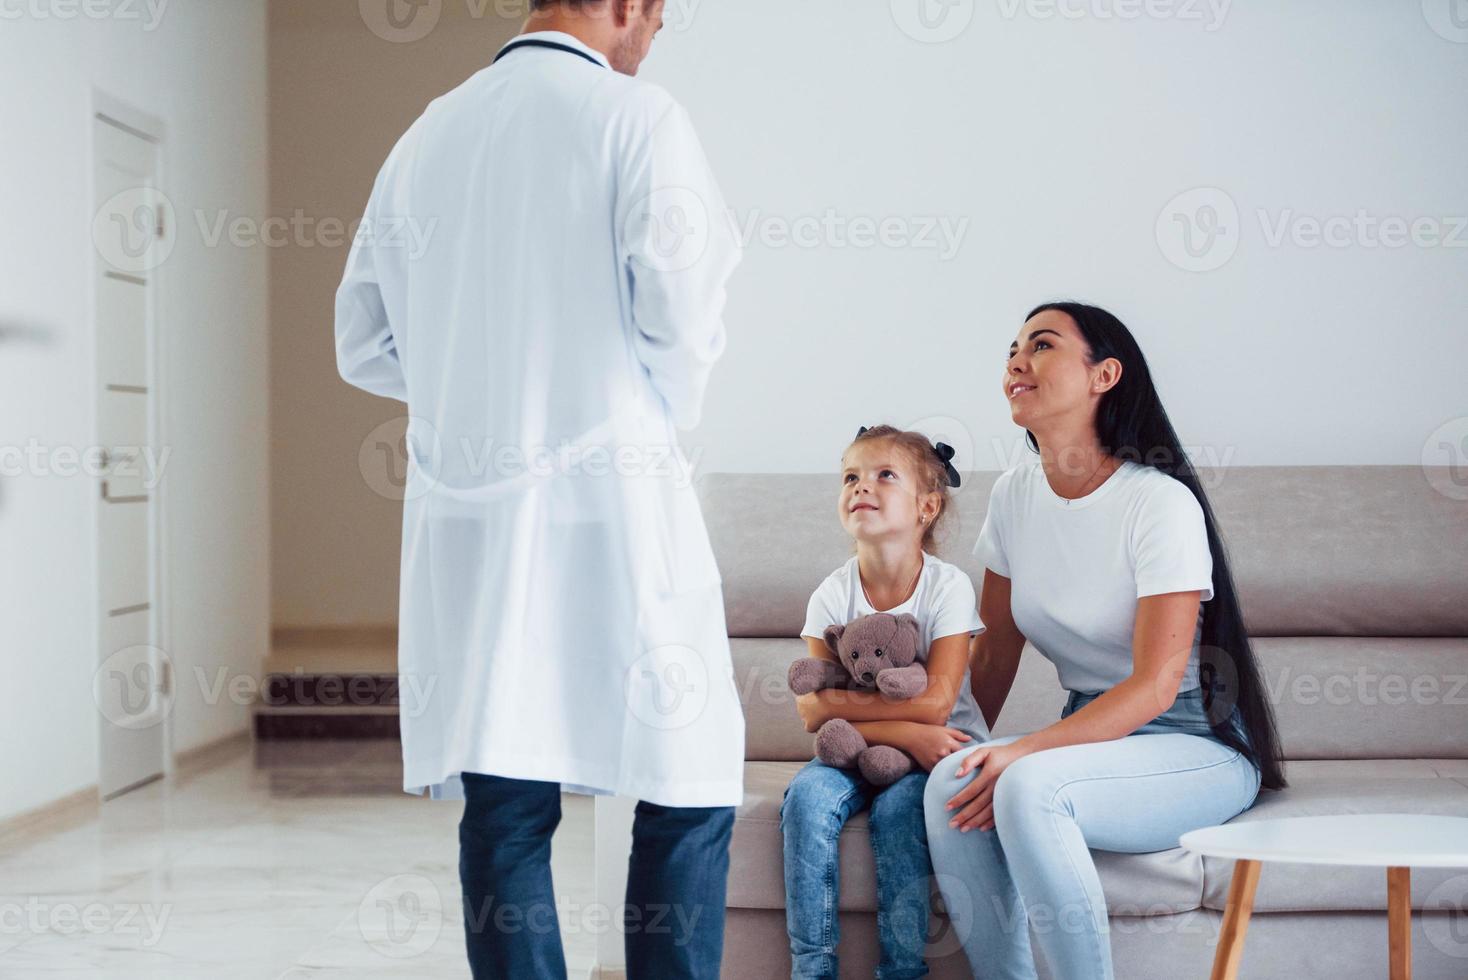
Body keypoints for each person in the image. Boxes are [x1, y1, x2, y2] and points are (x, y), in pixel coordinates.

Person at [333, 2, 744, 977]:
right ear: (623, 7)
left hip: (468, 517)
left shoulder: (427, 133)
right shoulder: (636, 119)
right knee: (686, 783)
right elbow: (680, 320)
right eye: (657, 16)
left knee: (507, 797)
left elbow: (362, 341)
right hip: (613, 502)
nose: (653, 38)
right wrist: (636, 402)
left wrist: (475, 393)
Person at [922, 302, 1288, 980]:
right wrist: (953, 743)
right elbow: (996, 653)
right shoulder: (1014, 495)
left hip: (1193, 743)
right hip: (1095, 738)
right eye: (1012, 347)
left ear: (1104, 375)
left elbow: (1154, 687)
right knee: (952, 780)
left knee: (1029, 787)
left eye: (1043, 345)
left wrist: (1025, 750)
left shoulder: (1158, 503)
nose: (1016, 360)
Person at [784, 424, 988, 979]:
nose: (860, 486)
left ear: (926, 506)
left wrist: (909, 732)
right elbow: (811, 710)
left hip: (938, 751)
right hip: (856, 750)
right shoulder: (831, 592)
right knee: (806, 799)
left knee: (900, 811)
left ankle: (901, 972)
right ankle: (812, 970)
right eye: (850, 476)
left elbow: (937, 706)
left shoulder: (948, 588)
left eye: (883, 476)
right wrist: (902, 731)